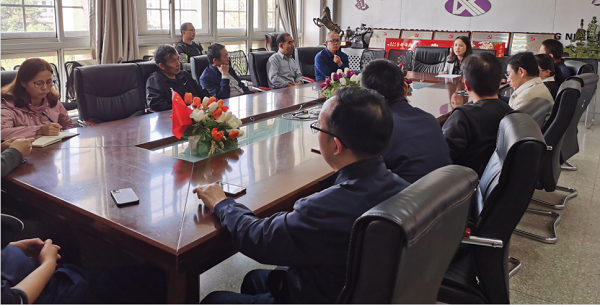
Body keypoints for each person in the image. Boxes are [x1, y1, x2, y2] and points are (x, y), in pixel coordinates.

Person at [194, 88, 409, 304]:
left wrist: (223, 203)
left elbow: (258, 239)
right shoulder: (404, 188)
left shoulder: (324, 208)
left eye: (318, 128)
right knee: (254, 279)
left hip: (321, 296)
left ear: (336, 145)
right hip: (351, 285)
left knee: (214, 300)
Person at [361, 59, 451, 183]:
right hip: (445, 192)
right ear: (405, 88)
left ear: (366, 98)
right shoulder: (430, 120)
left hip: (406, 194)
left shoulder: (379, 131)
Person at [442, 53, 512, 177]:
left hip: (462, 180)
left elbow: (442, 157)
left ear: (466, 85)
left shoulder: (463, 116)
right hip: (493, 178)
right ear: (499, 82)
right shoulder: (510, 111)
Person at [1, 59, 73, 140]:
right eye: (39, 83)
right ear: (23, 83)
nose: (45, 88)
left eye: (49, 82)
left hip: (52, 147)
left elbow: (68, 127)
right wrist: (39, 130)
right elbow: (2, 132)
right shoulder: (7, 105)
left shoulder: (52, 100)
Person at [146, 44, 208, 111]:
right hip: (173, 115)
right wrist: (184, 106)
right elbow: (156, 104)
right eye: (173, 61)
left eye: (178, 59)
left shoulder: (185, 75)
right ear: (162, 66)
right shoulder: (155, 80)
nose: (178, 64)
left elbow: (201, 92)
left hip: (196, 111)